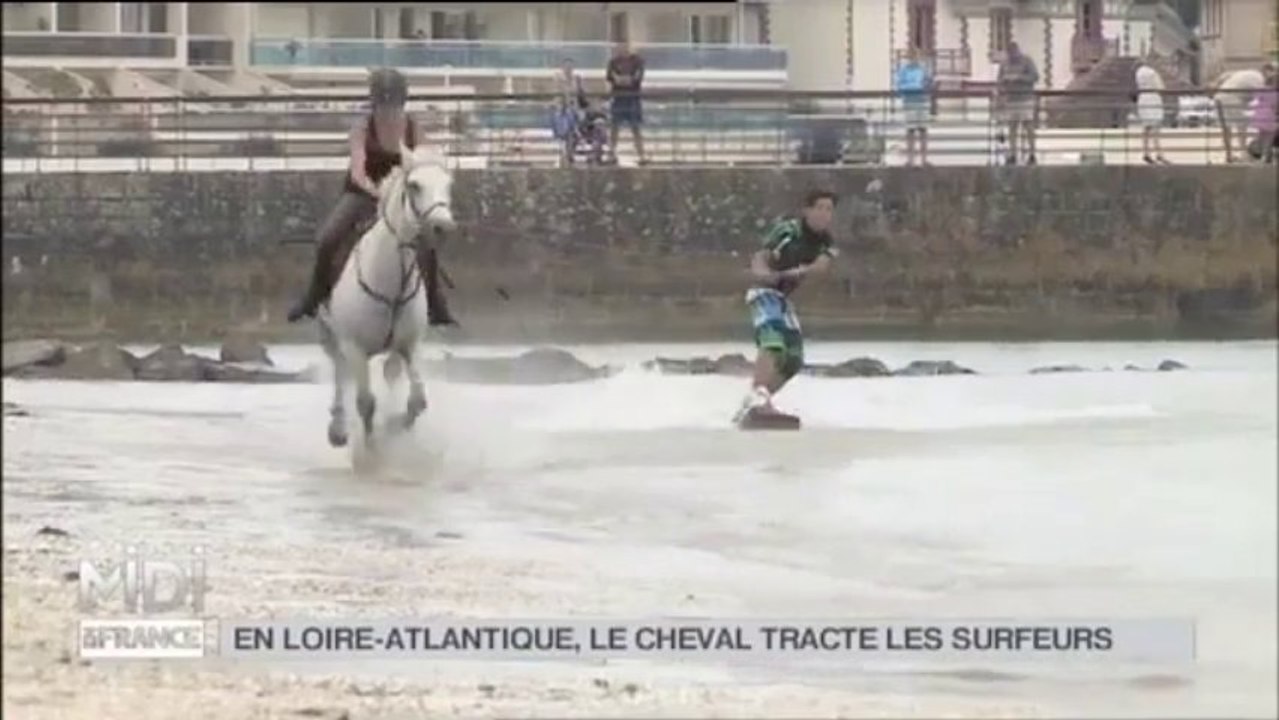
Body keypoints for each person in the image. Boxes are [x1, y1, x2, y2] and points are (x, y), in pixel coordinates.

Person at [286, 67, 456, 326]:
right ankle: (313, 297)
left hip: (399, 199)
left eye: (394, 103)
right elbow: (358, 172)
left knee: (427, 245)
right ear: (375, 103)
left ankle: (435, 305)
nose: (389, 110)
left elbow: (427, 159)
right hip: (363, 195)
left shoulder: (413, 128)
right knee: (327, 239)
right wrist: (378, 194)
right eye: (384, 104)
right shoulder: (362, 129)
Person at [734, 190, 839, 422]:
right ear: (807, 210)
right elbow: (761, 256)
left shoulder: (827, 242)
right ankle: (759, 397)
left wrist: (797, 272)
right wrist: (763, 274)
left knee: (793, 358)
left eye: (829, 210)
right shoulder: (789, 230)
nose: (824, 214)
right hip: (762, 292)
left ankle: (757, 401)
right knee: (773, 342)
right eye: (819, 208)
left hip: (782, 298)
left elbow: (821, 266)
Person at [1214, 64, 1269, 163]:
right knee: (1242, 126)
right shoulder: (1259, 78)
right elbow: (1263, 95)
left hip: (1219, 96)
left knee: (1226, 129)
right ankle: (1244, 155)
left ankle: (1229, 155)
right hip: (1231, 98)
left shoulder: (1247, 73)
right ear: (1266, 72)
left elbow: (1223, 78)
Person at [997, 41, 1039, 165]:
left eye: (1013, 53)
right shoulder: (1004, 64)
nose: (1012, 56)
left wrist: (1019, 78)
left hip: (1025, 98)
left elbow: (1035, 76)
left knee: (1028, 127)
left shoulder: (1027, 61)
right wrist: (1004, 83)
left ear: (1017, 51)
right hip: (1011, 99)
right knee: (1012, 128)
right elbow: (999, 79)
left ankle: (1032, 154)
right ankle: (1012, 154)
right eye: (1010, 54)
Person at [605, 41, 647, 165]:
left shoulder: (638, 61)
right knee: (614, 127)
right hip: (618, 98)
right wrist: (623, 80)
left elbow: (636, 78)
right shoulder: (613, 62)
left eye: (625, 47)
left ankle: (641, 155)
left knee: (635, 127)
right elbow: (611, 78)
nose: (623, 49)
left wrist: (623, 80)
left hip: (633, 98)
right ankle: (611, 153)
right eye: (620, 47)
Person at [894, 47, 933, 166]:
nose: (914, 59)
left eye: (916, 56)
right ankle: (910, 160)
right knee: (910, 131)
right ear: (908, 58)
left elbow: (929, 83)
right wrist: (913, 88)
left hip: (922, 102)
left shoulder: (924, 70)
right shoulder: (903, 70)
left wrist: (925, 87)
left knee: (923, 130)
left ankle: (924, 159)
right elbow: (899, 86)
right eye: (912, 56)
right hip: (910, 102)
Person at [1134, 60, 1169, 164]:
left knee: (1146, 127)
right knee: (1156, 128)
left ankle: (1146, 152)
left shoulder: (1138, 72)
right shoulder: (1152, 73)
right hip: (1153, 98)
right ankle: (1159, 153)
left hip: (1143, 98)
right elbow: (1160, 87)